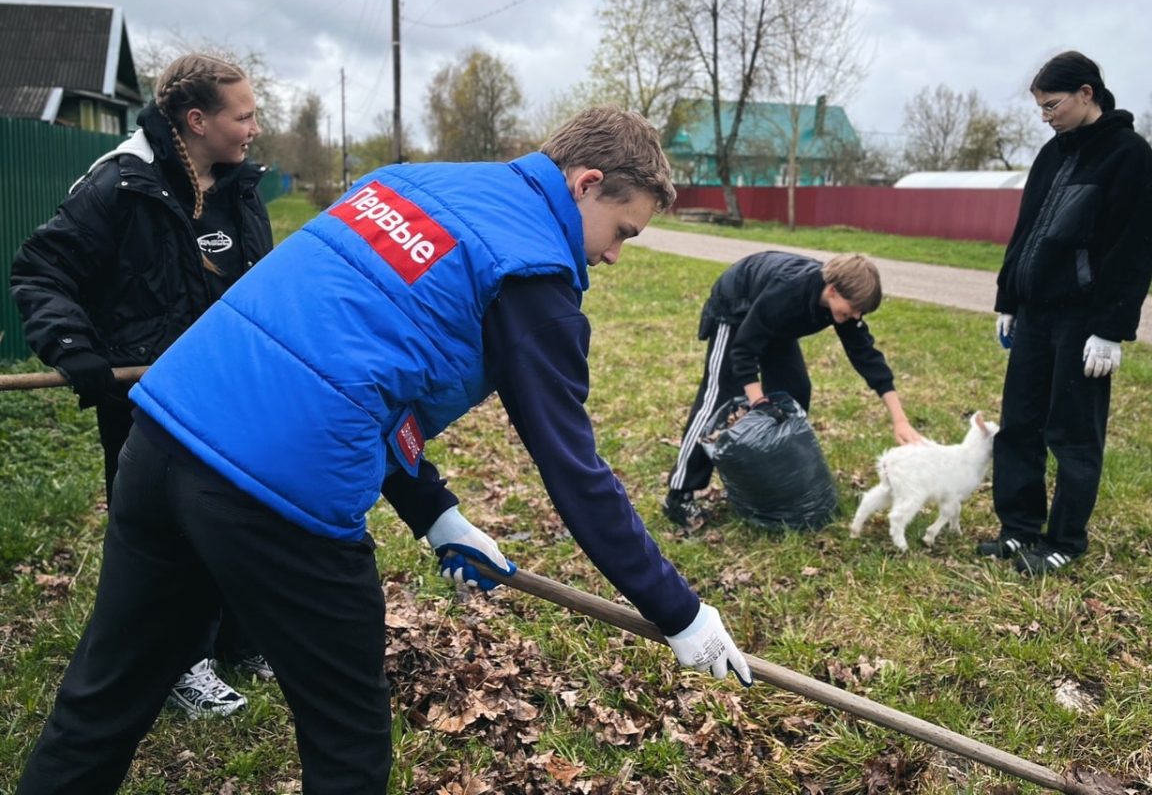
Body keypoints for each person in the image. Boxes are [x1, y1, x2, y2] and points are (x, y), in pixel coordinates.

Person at [15, 105, 752, 795]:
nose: (616, 256)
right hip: (275, 493)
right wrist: (679, 611)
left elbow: (350, 370)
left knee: (105, 694)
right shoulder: (533, 274)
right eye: (622, 230)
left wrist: (435, 513)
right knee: (348, 733)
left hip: (165, 433)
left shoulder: (409, 183)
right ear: (584, 184)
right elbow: (575, 470)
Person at [9, 53, 275, 719]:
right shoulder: (120, 185)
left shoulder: (238, 187)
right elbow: (41, 269)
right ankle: (181, 663)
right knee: (168, 538)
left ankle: (242, 638)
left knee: (241, 517)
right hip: (148, 402)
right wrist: (74, 346)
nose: (254, 128)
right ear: (196, 120)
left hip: (228, 390)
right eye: (242, 116)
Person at [979, 51, 1152, 575]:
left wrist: (1112, 329)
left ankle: (1064, 541)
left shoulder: (1130, 157)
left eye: (1052, 104)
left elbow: (1135, 248)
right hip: (1035, 315)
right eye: (1039, 107)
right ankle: (1018, 530)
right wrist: (1008, 299)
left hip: (1085, 323)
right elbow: (1026, 230)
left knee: (1073, 433)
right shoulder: (1051, 154)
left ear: (1087, 93)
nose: (1046, 115)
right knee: (1020, 425)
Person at [663, 250, 925, 527]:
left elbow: (866, 357)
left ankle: (775, 484)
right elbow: (743, 350)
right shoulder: (787, 292)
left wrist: (900, 419)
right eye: (853, 309)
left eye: (861, 311)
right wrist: (758, 401)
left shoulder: (843, 308)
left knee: (794, 391)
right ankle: (679, 494)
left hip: (774, 322)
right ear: (833, 290)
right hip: (737, 309)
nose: (856, 315)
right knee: (718, 398)